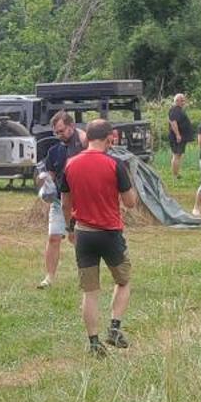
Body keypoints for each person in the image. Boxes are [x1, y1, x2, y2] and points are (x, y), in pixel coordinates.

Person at [61, 119, 137, 356]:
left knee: (90, 291)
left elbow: (65, 202)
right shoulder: (115, 164)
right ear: (109, 138)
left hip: (83, 233)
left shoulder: (71, 164)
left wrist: (69, 228)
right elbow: (130, 203)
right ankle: (114, 328)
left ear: (87, 137)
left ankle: (94, 343)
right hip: (110, 232)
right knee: (123, 281)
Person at [36, 112, 86, 288]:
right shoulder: (54, 151)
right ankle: (49, 278)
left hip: (82, 201)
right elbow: (49, 176)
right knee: (54, 237)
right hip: (59, 202)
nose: (59, 135)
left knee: (78, 239)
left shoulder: (84, 146)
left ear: (72, 127)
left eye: (62, 131)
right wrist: (44, 182)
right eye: (56, 132)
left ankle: (85, 276)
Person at [168, 93, 193, 181]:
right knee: (176, 155)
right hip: (177, 137)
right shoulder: (175, 110)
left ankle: (176, 174)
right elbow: (173, 123)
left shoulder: (179, 110)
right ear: (177, 101)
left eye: (183, 100)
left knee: (178, 155)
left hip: (180, 136)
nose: (183, 102)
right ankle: (175, 176)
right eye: (182, 100)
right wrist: (178, 135)